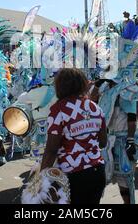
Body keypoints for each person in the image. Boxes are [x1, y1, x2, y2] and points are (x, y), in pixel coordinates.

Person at [41, 68, 107, 205]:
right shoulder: (95, 107)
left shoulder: (58, 109)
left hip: (72, 175)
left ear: (60, 85)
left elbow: (51, 150)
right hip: (97, 172)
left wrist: (41, 179)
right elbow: (103, 142)